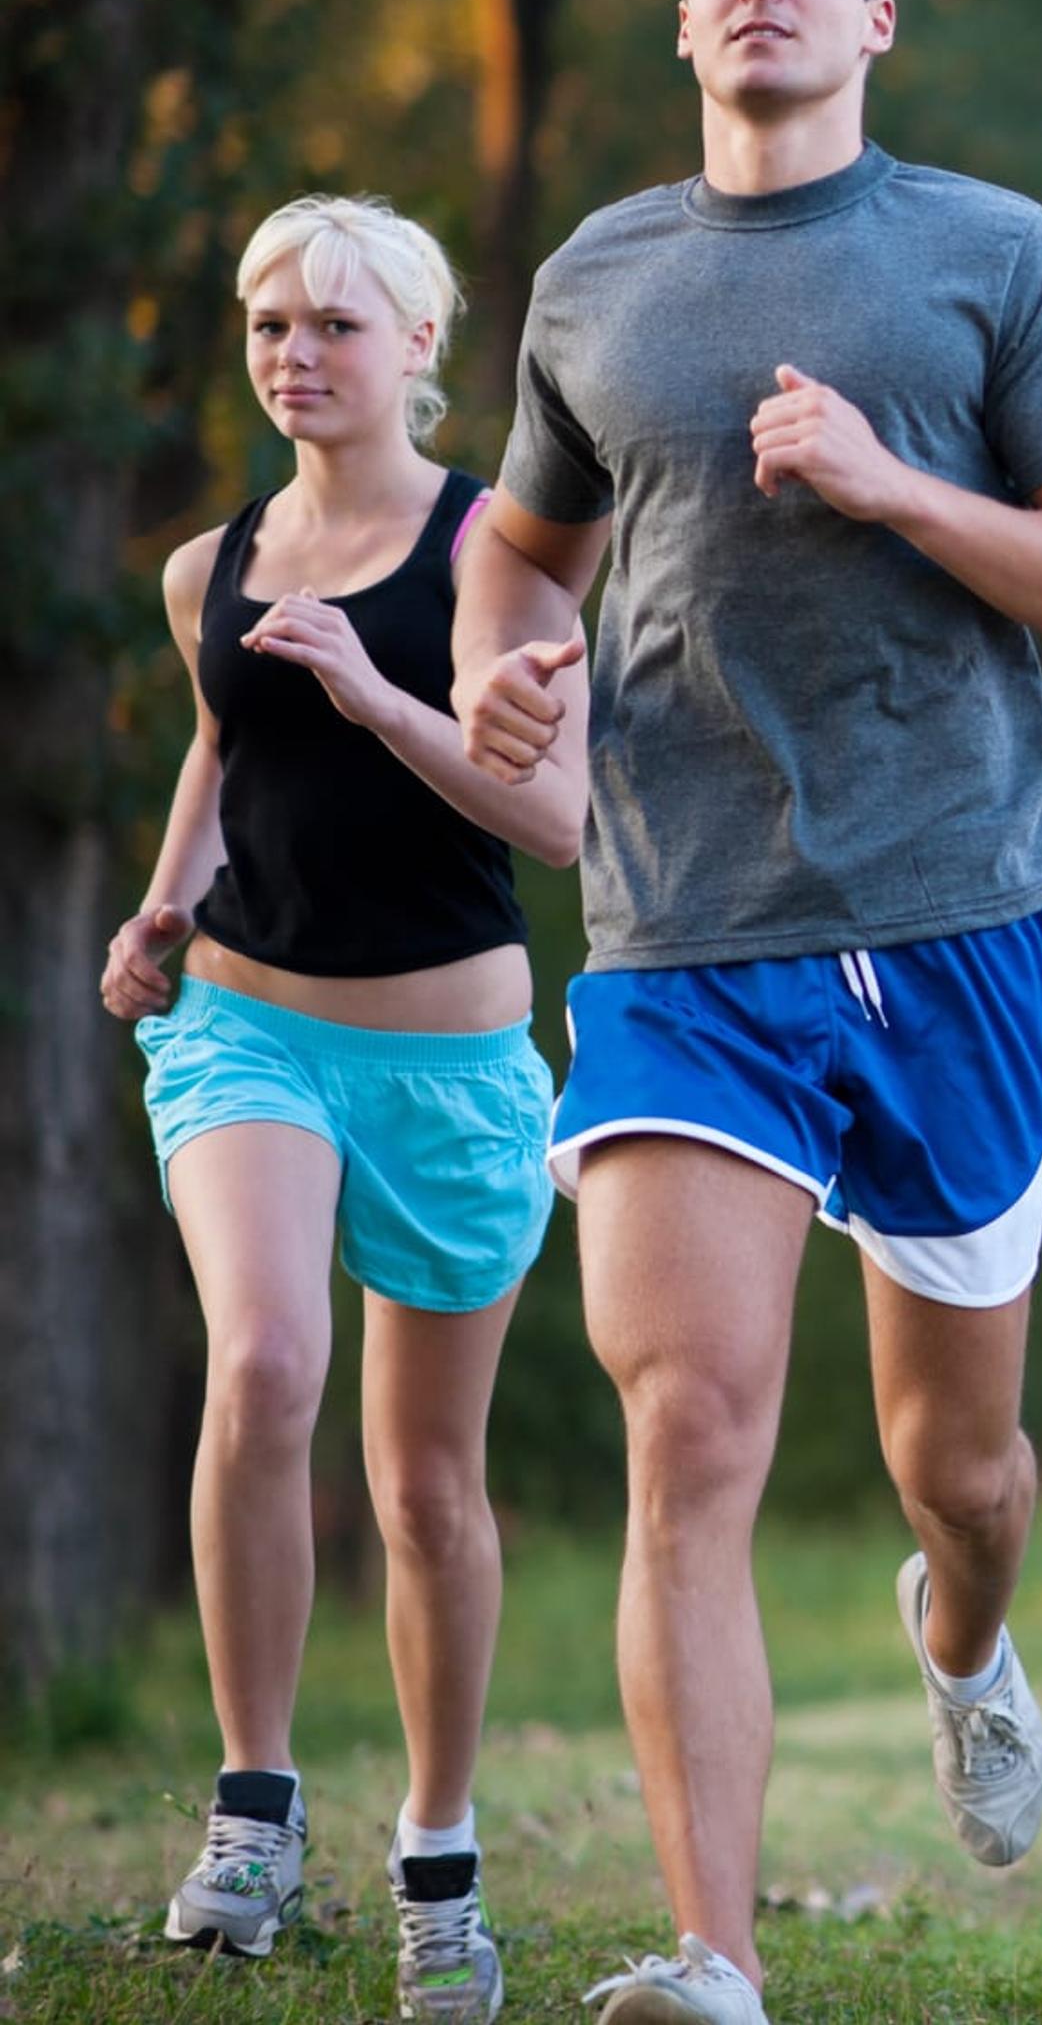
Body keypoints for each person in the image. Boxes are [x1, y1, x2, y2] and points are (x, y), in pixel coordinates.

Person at [451, 0, 1042, 2025]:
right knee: (689, 1424)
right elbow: (519, 549)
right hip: (679, 930)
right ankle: (716, 1950)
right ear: (683, 21)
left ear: (876, 17)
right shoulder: (596, 281)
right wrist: (508, 658)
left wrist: (896, 488)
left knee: (959, 1464)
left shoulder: (989, 256)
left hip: (951, 917)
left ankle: (964, 1626)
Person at [107, 197, 585, 2024]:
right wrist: (163, 907)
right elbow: (225, 753)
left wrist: (388, 696)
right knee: (264, 1368)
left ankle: (439, 1859)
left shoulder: (497, 559)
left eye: (334, 325)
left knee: (427, 1484)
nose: (295, 354)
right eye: (267, 325)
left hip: (456, 1066)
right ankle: (254, 1806)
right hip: (248, 1035)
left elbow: (553, 826)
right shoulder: (206, 567)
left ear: (420, 350)